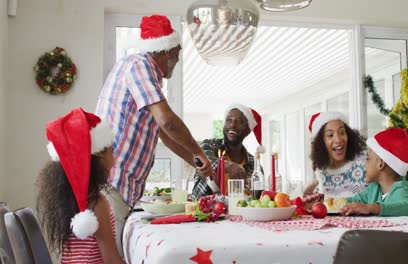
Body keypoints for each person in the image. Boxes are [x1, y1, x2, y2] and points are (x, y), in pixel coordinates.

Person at [95, 14, 212, 255]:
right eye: (178, 55)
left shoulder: (145, 75)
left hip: (118, 186)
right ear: (167, 51)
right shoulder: (140, 66)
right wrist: (200, 152)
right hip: (112, 184)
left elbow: (165, 135)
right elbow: (168, 122)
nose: (177, 61)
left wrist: (197, 162)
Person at [36, 108, 124, 263]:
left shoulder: (67, 198)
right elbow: (111, 260)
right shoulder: (96, 203)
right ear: (99, 154)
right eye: (112, 151)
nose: (114, 159)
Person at [341, 128, 408, 216]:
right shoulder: (374, 189)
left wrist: (371, 208)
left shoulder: (401, 188)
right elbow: (352, 202)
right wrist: (330, 202)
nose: (364, 164)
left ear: (381, 164)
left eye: (367, 159)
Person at [192, 104, 263, 200]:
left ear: (247, 131)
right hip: (204, 212)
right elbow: (203, 157)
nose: (232, 125)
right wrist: (227, 165)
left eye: (239, 121)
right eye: (229, 120)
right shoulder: (210, 145)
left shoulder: (254, 165)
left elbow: (257, 200)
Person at [303, 112, 367, 200]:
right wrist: (307, 195)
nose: (338, 140)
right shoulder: (321, 172)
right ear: (321, 143)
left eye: (342, 132)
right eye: (330, 135)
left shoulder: (364, 163)